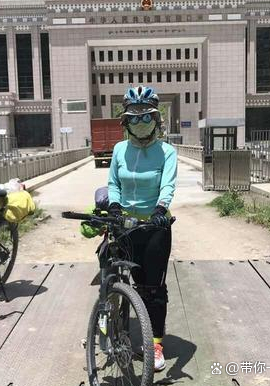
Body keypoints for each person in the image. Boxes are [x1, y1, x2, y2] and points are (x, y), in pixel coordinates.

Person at [107, 85, 177, 372]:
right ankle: (114, 325)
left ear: (156, 119)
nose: (140, 122)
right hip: (125, 225)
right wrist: (113, 205)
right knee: (125, 279)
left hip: (155, 227)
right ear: (125, 121)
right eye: (133, 118)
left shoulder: (167, 151)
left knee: (153, 288)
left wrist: (160, 209)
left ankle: (155, 343)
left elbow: (168, 184)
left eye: (145, 116)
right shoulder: (119, 149)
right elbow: (114, 182)